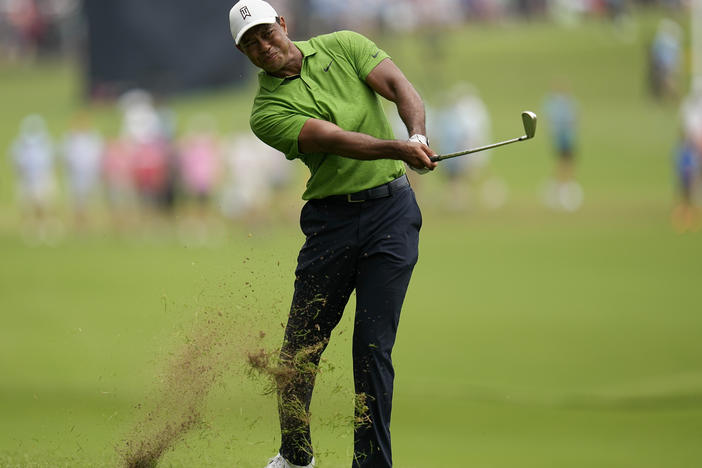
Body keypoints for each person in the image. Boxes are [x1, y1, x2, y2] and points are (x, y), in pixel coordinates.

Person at [228, 1, 437, 467]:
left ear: (283, 25)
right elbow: (333, 138)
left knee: (372, 348)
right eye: (251, 44)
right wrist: (396, 147)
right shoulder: (266, 112)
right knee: (300, 348)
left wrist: (417, 136)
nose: (264, 46)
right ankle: (296, 456)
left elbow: (400, 87)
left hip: (392, 215)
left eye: (266, 33)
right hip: (332, 224)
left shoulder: (344, 45)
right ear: (245, 55)